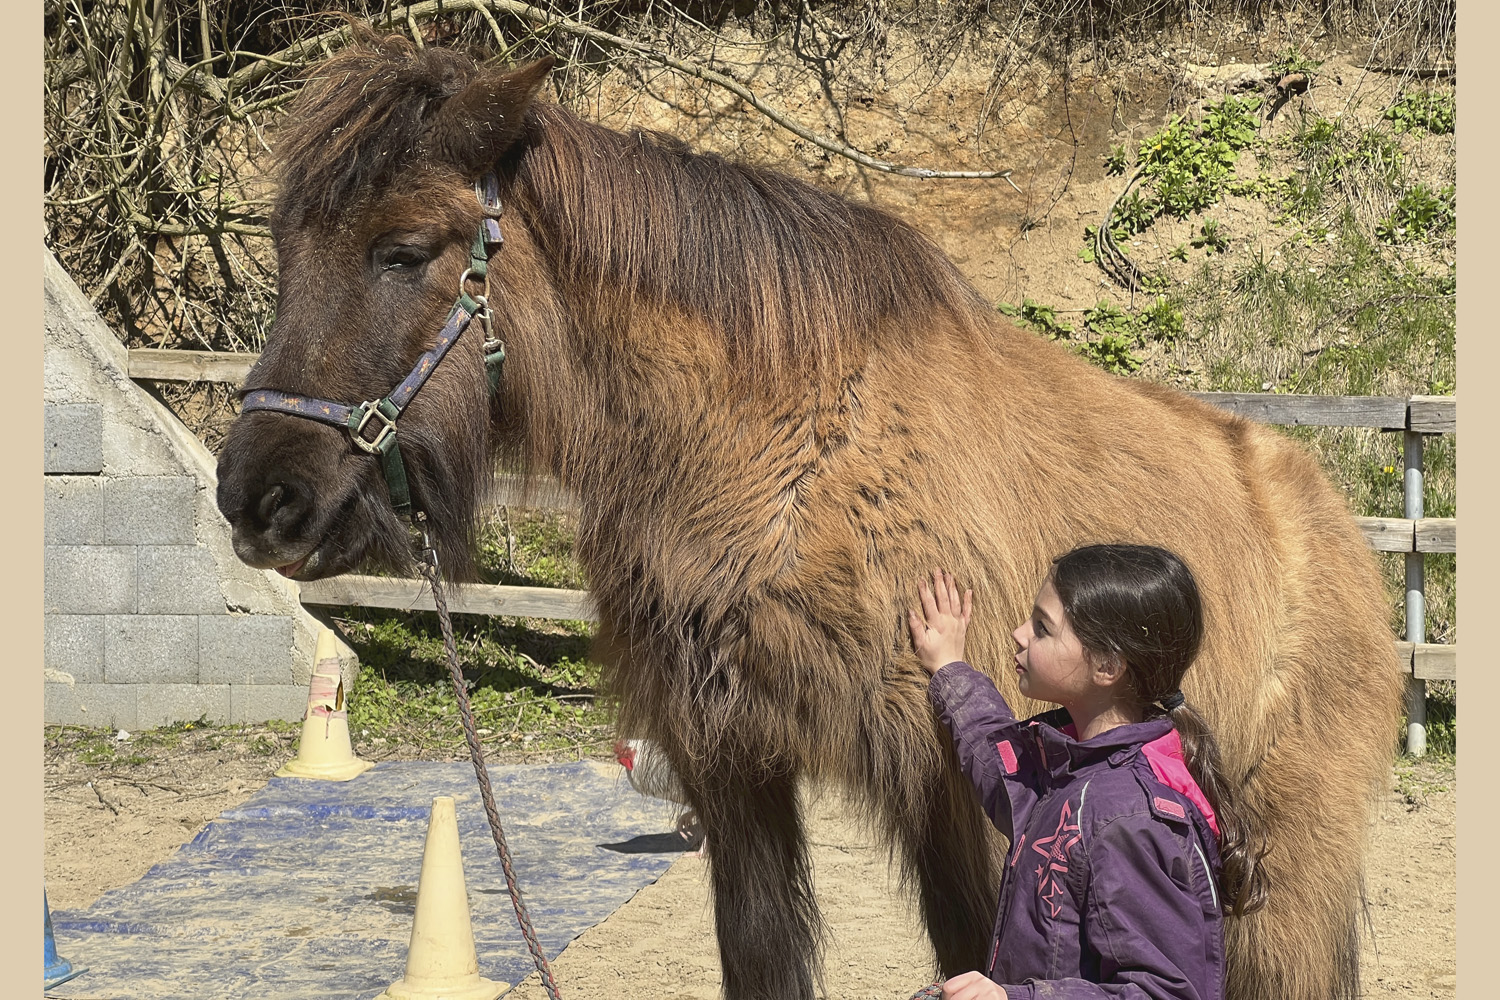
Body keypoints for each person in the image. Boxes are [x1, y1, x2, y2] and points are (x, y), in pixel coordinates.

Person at [905, 545, 1267, 1000]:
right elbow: (1004, 771)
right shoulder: (1073, 768)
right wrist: (949, 668)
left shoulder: (1130, 822)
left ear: (1107, 666)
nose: (1019, 634)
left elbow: (1164, 993)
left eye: (1042, 628)